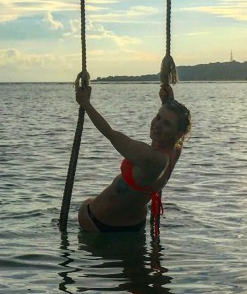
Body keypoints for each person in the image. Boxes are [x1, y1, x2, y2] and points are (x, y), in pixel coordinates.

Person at [75, 78, 191, 233]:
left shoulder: (153, 158)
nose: (157, 124)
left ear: (178, 133)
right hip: (134, 225)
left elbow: (110, 133)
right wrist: (168, 101)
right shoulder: (175, 150)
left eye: (166, 124)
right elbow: (177, 123)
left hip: (100, 222)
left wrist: (86, 103)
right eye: (158, 117)